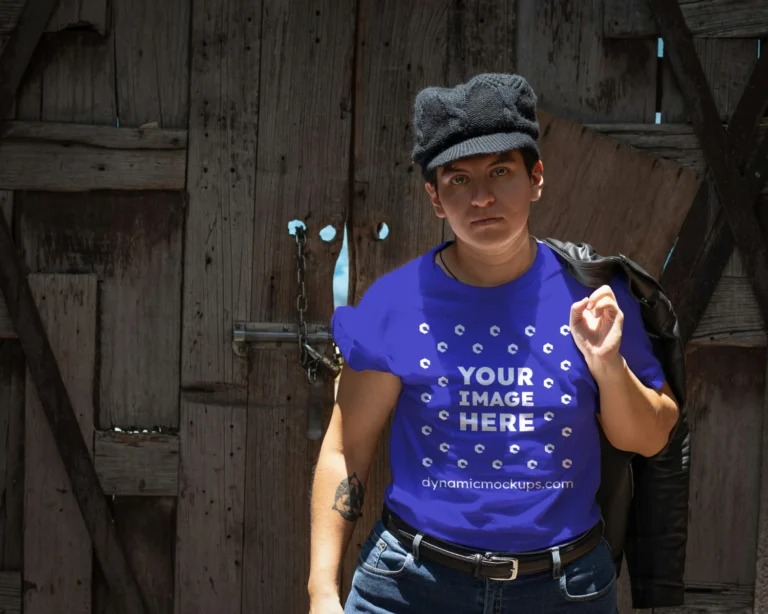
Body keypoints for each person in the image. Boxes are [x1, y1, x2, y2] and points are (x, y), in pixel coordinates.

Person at [307, 73, 680, 614]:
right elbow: (346, 449)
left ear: (536, 179)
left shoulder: (596, 296)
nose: (481, 196)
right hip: (411, 587)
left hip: (563, 589)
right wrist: (321, 589)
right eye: (458, 180)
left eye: (500, 171)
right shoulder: (396, 303)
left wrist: (607, 364)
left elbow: (649, 438)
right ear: (435, 198)